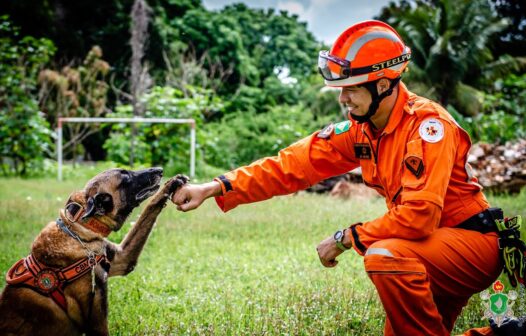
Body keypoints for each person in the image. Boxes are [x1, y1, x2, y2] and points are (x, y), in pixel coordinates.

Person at [171, 20, 515, 336]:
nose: (342, 98)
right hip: (427, 249)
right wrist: (215, 186)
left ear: (382, 84)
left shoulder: (428, 127)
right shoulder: (362, 130)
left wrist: (346, 236)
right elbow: (291, 165)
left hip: (470, 245)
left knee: (383, 256)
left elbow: (420, 217)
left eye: (350, 88)